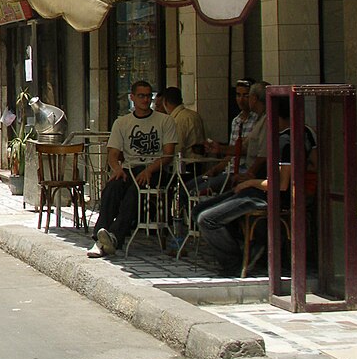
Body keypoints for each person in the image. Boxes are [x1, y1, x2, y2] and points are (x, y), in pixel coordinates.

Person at [192, 96, 315, 275]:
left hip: (267, 195)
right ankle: (252, 246)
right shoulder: (306, 133)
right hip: (259, 188)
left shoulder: (285, 141)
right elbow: (313, 163)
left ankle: (235, 263)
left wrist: (250, 182)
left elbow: (280, 185)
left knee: (207, 219)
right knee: (199, 209)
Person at [87, 80, 178, 258]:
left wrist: (149, 170)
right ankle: (99, 238)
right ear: (132, 97)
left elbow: (168, 154)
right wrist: (117, 169)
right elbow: (113, 154)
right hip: (130, 168)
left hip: (155, 170)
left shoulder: (165, 120)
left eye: (148, 96)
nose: (145, 100)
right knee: (112, 188)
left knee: (134, 193)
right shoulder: (122, 122)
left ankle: (114, 237)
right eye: (141, 96)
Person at [197, 78, 261, 193]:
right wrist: (215, 169)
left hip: (243, 172)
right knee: (192, 186)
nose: (241, 100)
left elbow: (246, 149)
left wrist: (221, 148)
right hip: (228, 170)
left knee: (199, 191)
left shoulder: (258, 120)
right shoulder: (236, 121)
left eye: (245, 96)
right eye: (238, 95)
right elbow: (230, 155)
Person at [155, 86, 206, 155]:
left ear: (165, 102)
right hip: (200, 158)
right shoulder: (194, 114)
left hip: (187, 159)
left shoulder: (177, 120)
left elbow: (177, 148)